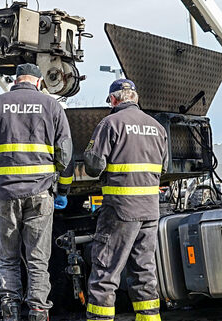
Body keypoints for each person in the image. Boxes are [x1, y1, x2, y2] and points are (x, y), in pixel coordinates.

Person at [0, 63, 74, 321]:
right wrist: (63, 189)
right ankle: (38, 312)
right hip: (41, 192)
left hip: (6, 192)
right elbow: (65, 152)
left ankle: (11, 311)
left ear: (16, 80)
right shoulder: (51, 107)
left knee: (7, 257)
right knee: (38, 259)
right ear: (39, 82)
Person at [83, 79, 168, 321]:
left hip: (120, 210)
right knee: (144, 270)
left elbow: (93, 166)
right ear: (135, 97)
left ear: (113, 99)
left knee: (105, 271)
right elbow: (163, 167)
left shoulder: (110, 123)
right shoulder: (157, 127)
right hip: (150, 209)